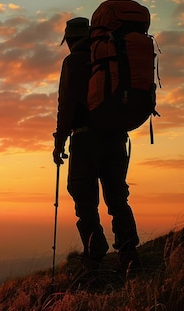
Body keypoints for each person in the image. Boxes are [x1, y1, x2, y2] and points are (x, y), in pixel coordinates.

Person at [53, 17, 141, 273]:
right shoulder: (111, 58)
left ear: (69, 39)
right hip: (116, 137)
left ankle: (94, 253)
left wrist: (59, 142)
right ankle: (129, 254)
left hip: (85, 138)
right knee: (117, 197)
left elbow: (66, 104)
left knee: (84, 199)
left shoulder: (73, 62)